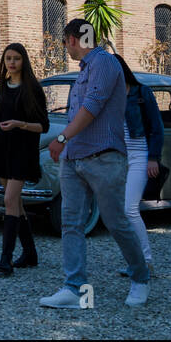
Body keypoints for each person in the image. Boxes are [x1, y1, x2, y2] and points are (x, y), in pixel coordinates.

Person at [39, 19, 149, 309]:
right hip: (74, 160)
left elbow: (92, 107)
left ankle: (140, 276)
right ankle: (74, 288)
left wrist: (60, 138)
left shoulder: (104, 63)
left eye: (65, 42)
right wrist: (67, 147)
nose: (66, 49)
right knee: (71, 224)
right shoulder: (85, 70)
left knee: (116, 222)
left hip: (104, 158)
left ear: (73, 40)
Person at [0, 43, 49, 276]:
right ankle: (30, 253)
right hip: (2, 151)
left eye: (16, 58)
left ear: (23, 61)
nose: (12, 62)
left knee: (10, 200)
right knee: (16, 204)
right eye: (8, 58)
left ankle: (5, 259)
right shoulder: (3, 87)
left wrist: (20, 124)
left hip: (22, 152)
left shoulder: (33, 89)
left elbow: (43, 126)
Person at [114, 52, 164, 279]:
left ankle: (146, 262)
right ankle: (135, 263)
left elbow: (157, 127)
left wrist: (153, 157)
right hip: (119, 157)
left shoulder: (142, 92)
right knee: (121, 212)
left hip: (139, 155)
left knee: (130, 209)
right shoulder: (110, 95)